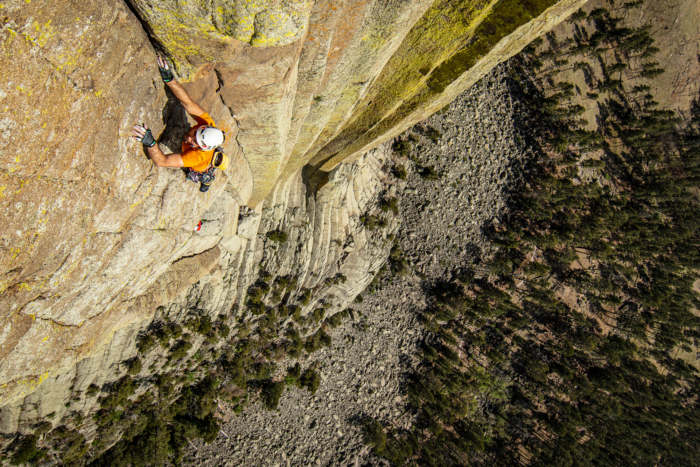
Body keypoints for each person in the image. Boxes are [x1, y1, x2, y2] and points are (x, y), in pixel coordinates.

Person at [132, 55, 229, 192]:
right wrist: (169, 78)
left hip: (200, 165)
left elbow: (162, 162)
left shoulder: (195, 157)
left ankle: (207, 181)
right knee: (211, 163)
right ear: (204, 127)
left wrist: (150, 142)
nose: (189, 138)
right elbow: (187, 102)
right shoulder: (208, 123)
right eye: (194, 134)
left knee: (202, 175)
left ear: (202, 148)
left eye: (194, 141)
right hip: (208, 154)